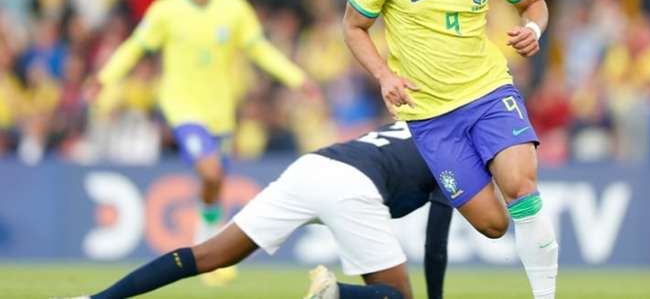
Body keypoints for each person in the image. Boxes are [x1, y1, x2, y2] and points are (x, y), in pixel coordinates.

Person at [341, 0, 558, 299]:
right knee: (494, 225)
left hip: (488, 91)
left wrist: (533, 29)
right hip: (431, 117)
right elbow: (353, 27)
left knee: (521, 186)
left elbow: (533, 3)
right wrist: (384, 75)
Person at [86, 0, 317, 283]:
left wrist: (296, 78)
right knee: (210, 173)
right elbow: (136, 45)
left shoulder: (233, 9)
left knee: (216, 180)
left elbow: (259, 49)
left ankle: (208, 231)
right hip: (182, 108)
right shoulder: (166, 10)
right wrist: (104, 77)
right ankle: (206, 232)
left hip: (221, 113)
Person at [65, 122, 453, 299]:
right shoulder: (455, 151)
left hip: (313, 167)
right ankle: (334, 292)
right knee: (395, 298)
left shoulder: (417, 124)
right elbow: (436, 243)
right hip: (353, 186)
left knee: (211, 254)